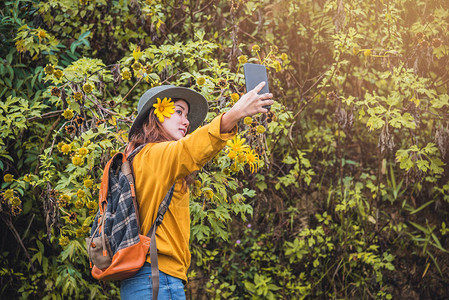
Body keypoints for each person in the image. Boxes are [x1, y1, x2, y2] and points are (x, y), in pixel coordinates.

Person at [120, 82, 274, 299]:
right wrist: (235, 114)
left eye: (187, 115)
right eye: (179, 112)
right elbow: (190, 148)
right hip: (158, 279)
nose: (186, 122)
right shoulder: (153, 155)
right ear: (155, 116)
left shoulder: (137, 158)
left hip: (138, 281)